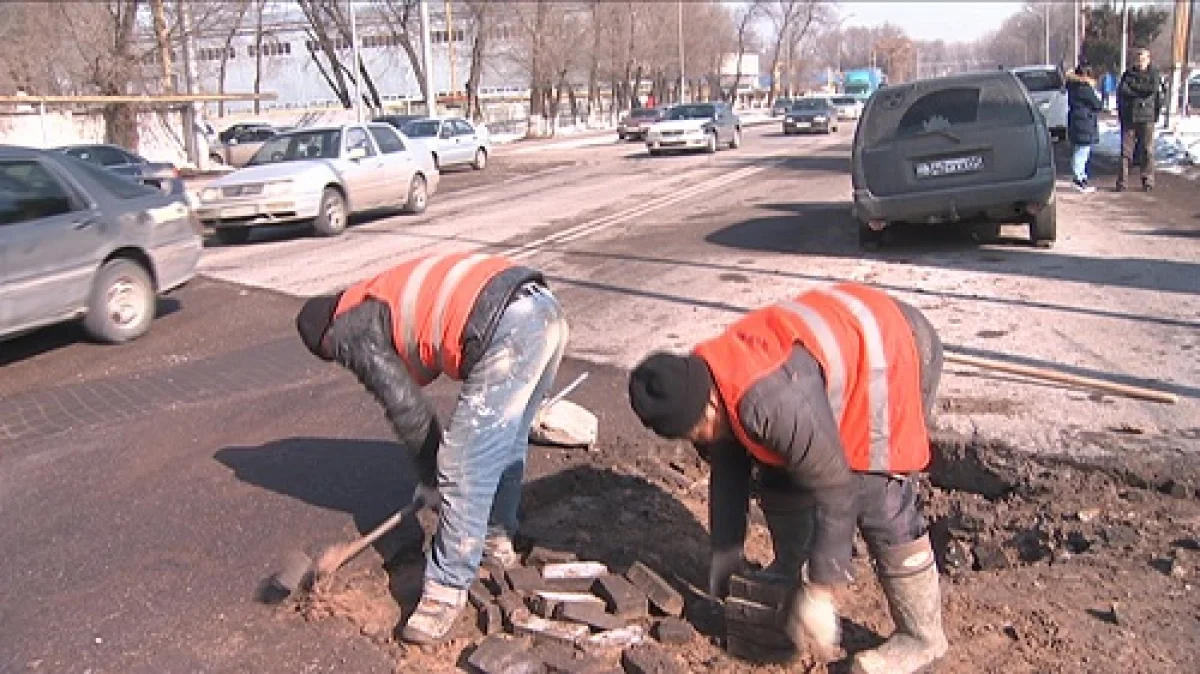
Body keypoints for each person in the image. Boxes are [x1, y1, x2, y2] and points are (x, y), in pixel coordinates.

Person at [628, 282, 946, 674]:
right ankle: (791, 568)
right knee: (779, 469)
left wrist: (821, 591)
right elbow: (729, 470)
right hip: (830, 360)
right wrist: (726, 560)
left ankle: (922, 637)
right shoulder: (705, 381)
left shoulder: (767, 401)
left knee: (874, 490)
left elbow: (836, 487)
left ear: (709, 404)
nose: (702, 443)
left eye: (698, 433)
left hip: (892, 348)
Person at [294, 251, 569, 644]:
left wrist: (431, 476)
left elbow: (406, 407)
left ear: (327, 340)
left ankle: (445, 591)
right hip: (542, 310)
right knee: (503, 445)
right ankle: (495, 540)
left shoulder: (349, 330)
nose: (342, 359)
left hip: (510, 326)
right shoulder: (375, 296)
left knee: (461, 464)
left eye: (334, 355)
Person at [1116, 47, 1165, 192]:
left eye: (1143, 59)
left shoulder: (1154, 75)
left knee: (1147, 150)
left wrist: (1156, 114)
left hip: (1147, 117)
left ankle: (1148, 180)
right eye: (1138, 59)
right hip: (1129, 117)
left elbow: (1152, 91)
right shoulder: (1128, 75)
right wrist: (1121, 113)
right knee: (1125, 152)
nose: (1140, 62)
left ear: (1148, 60)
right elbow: (1123, 92)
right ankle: (1122, 182)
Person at [1067, 65, 1103, 193]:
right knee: (1082, 151)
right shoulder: (1084, 88)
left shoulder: (1072, 87)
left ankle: (1080, 177)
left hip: (1076, 120)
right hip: (1084, 122)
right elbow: (1097, 105)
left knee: (1078, 149)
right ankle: (1079, 178)